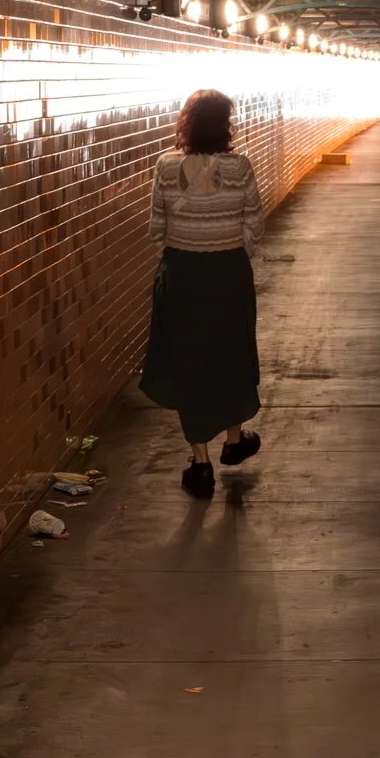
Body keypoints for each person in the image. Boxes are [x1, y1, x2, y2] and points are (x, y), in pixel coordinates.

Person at [139, 89, 265, 498]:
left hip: (182, 275)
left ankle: (201, 463)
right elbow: (254, 223)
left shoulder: (165, 165)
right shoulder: (240, 167)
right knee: (231, 354)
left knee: (188, 363)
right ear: (226, 125)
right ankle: (234, 441)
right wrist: (231, 248)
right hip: (228, 274)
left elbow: (157, 227)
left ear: (187, 124)